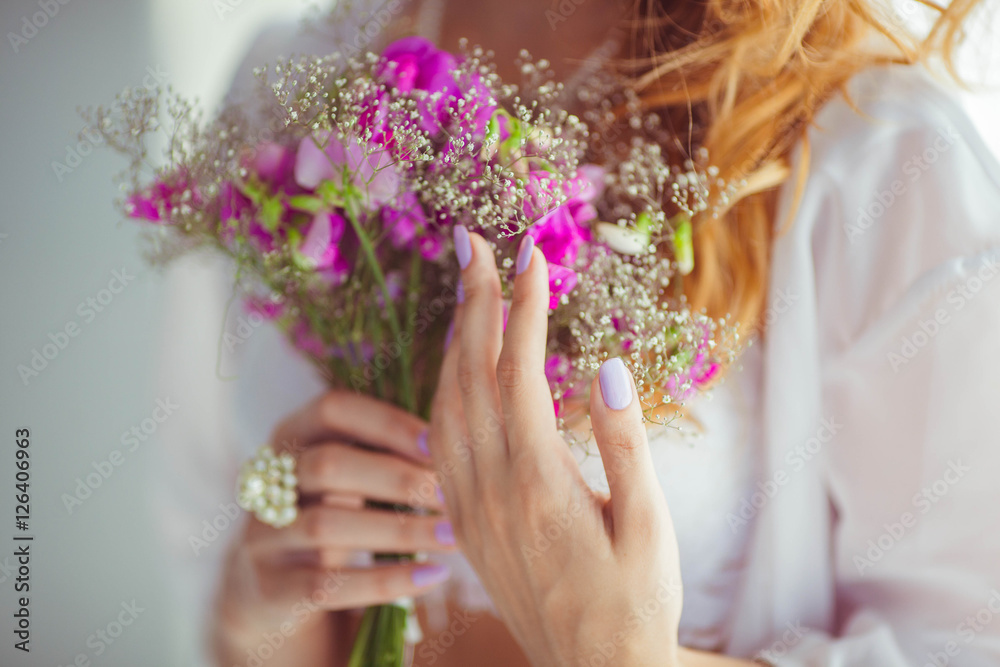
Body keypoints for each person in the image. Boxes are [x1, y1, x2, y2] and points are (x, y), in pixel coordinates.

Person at [155, 0, 1000, 664]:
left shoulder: (878, 152)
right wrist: (260, 631)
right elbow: (202, 540)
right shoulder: (283, 81)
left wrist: (626, 655)